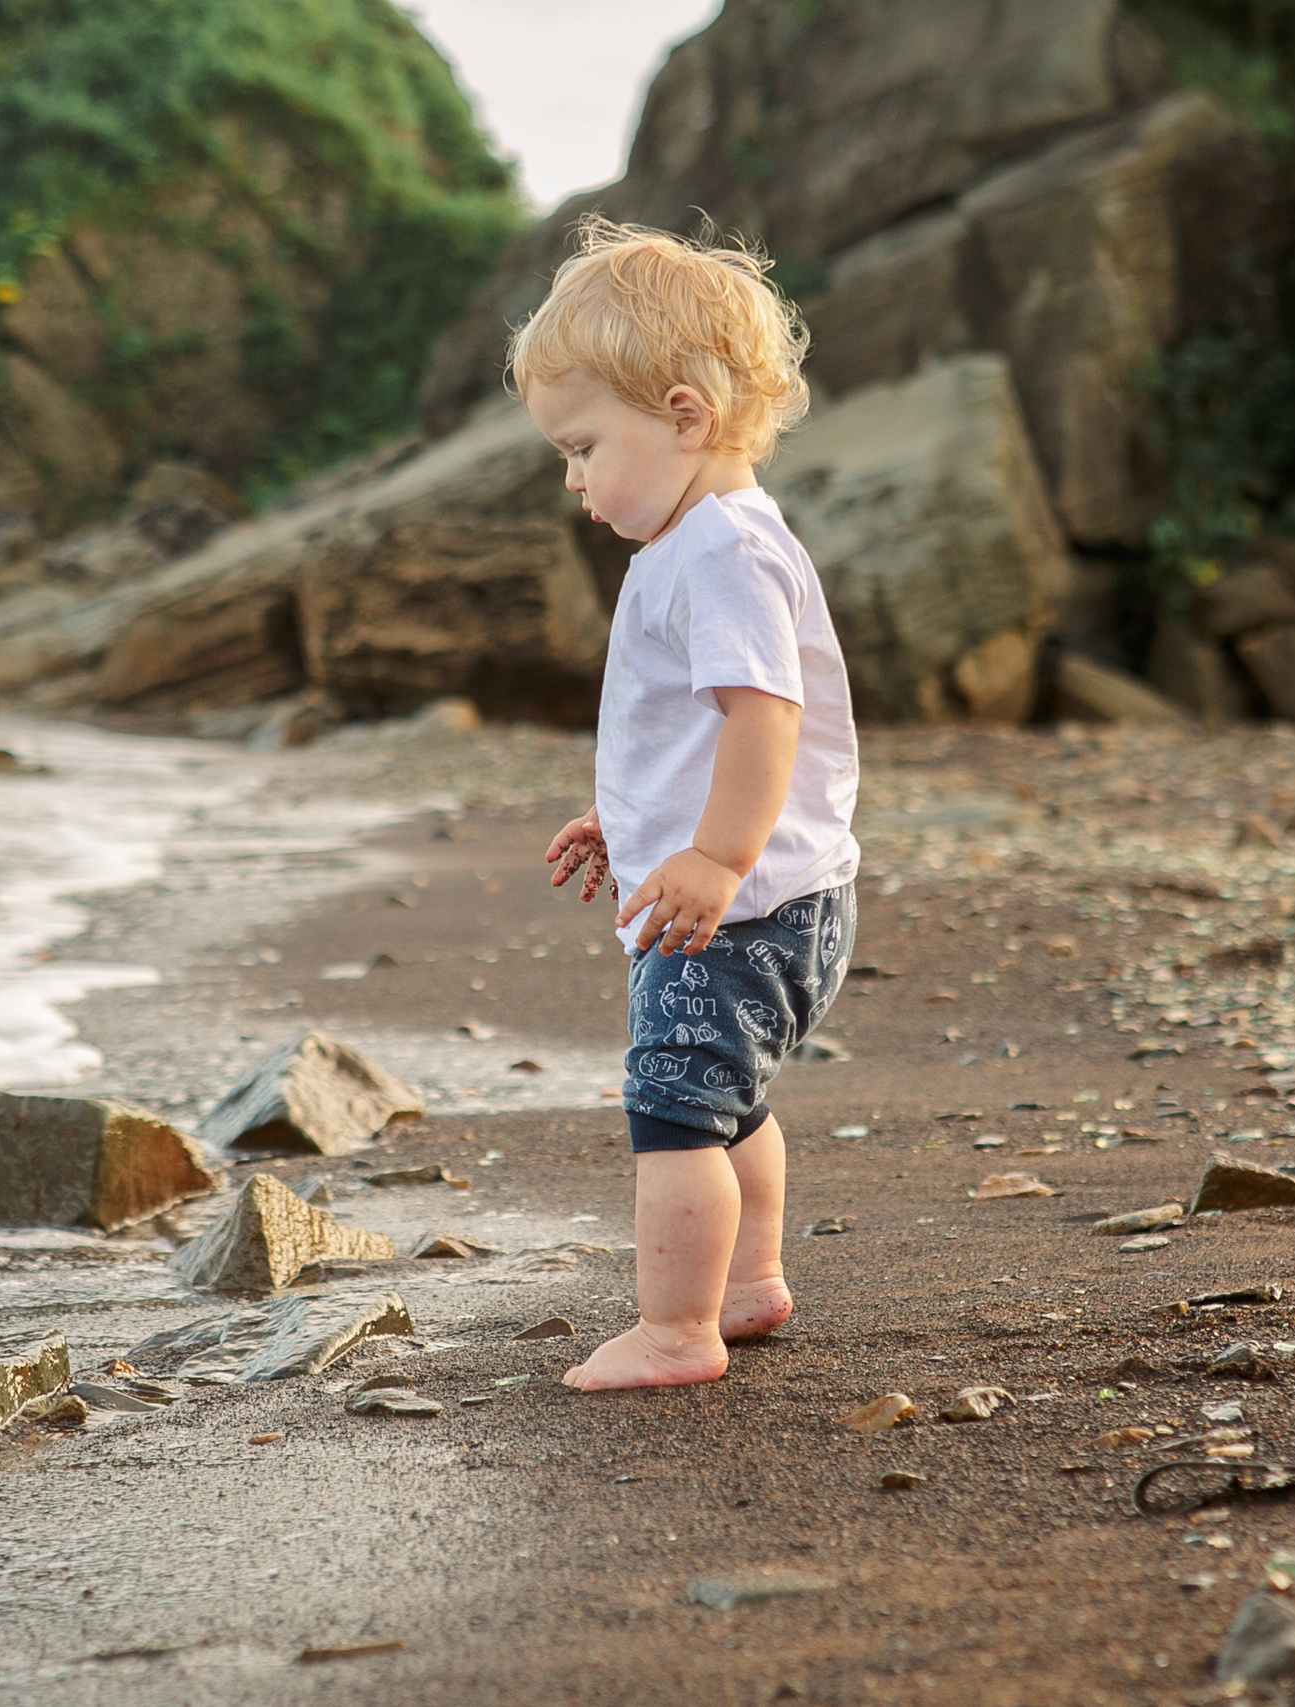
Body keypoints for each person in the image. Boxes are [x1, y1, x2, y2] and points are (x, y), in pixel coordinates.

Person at [515, 217, 860, 1392]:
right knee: (726, 1096)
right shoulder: (695, 545)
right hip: (764, 896)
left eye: (580, 446)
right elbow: (696, 729)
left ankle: (676, 1330)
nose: (572, 480)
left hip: (742, 904)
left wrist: (710, 859)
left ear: (681, 416)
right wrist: (630, 823)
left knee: (671, 1108)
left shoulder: (718, 549)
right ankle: (749, 1284)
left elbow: (767, 718)